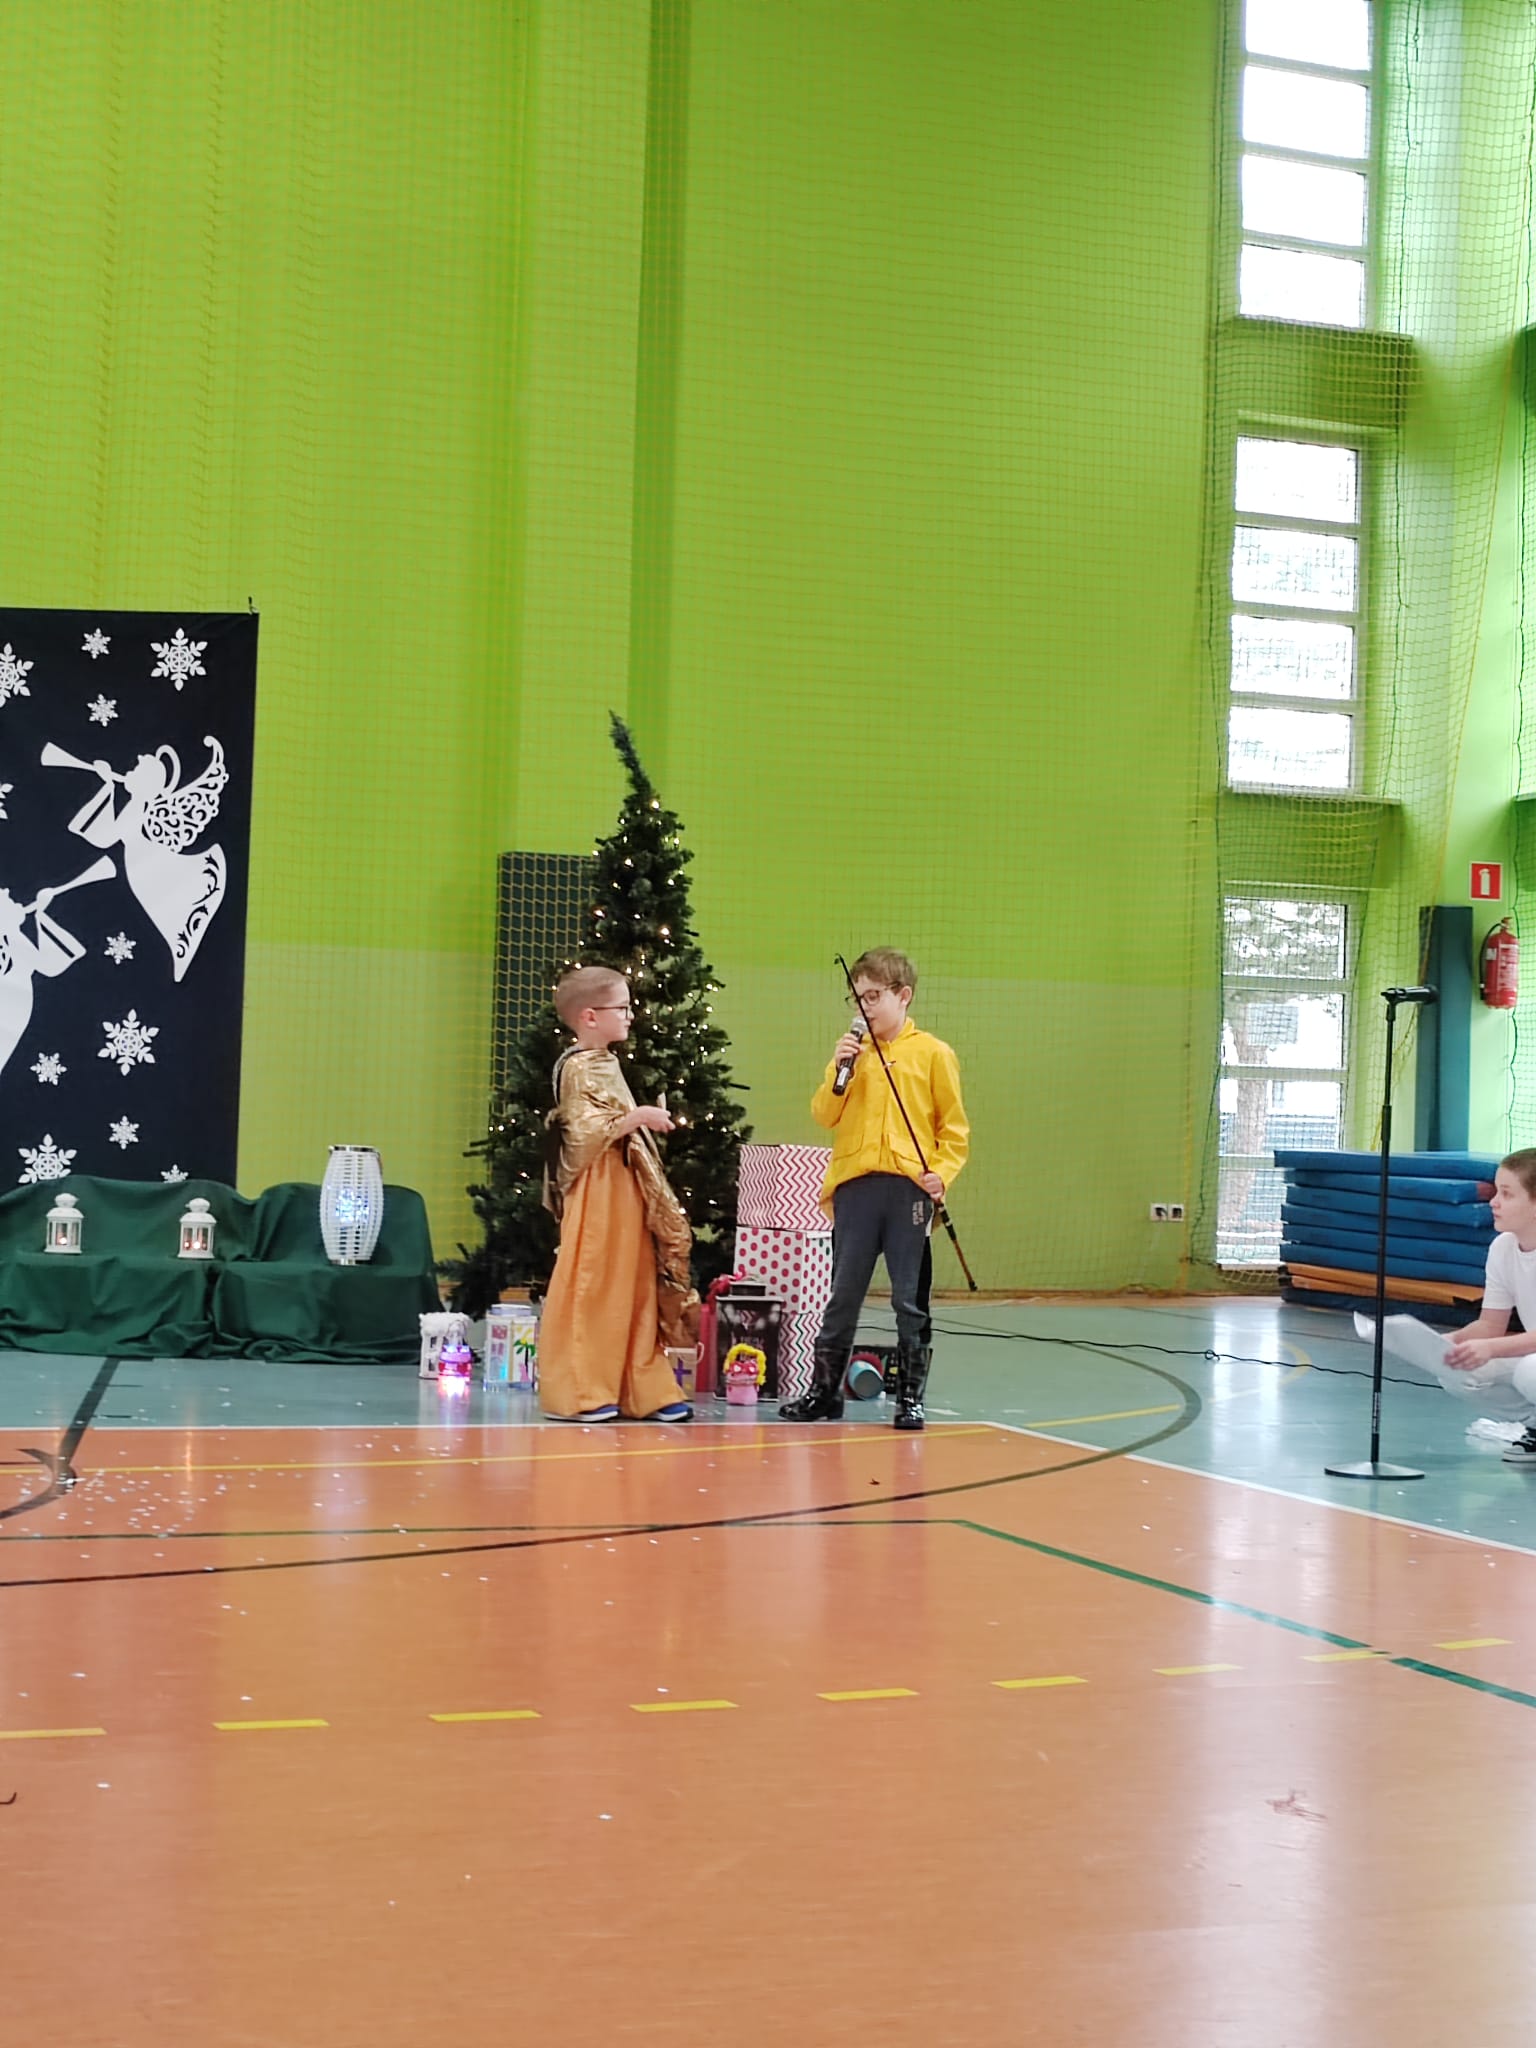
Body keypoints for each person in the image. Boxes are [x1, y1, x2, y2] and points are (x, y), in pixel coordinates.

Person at [780, 948, 969, 1431]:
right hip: (855, 1189)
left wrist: (940, 1174)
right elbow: (824, 1114)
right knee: (843, 1295)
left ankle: (910, 1397)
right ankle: (824, 1393)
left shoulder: (933, 1054)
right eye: (858, 998)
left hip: (908, 1192)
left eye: (874, 997)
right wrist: (841, 1070)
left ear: (903, 996)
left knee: (909, 1298)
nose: (865, 1008)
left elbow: (954, 1131)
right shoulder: (852, 1053)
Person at [537, 965, 697, 1423]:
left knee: (636, 1276)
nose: (630, 1015)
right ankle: (583, 1388)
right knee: (595, 1277)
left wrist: (638, 1122)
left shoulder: (606, 1062)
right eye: (621, 1007)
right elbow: (583, 1131)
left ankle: (642, 1385)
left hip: (625, 1181)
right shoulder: (577, 1066)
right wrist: (639, 1117)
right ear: (589, 1017)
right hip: (597, 1183)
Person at [1442, 1150, 1536, 1464]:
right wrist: (1449, 1342)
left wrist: (1490, 1348)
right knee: (1455, 1369)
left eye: (1507, 1194)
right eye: (1496, 1192)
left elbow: (1494, 1341)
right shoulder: (1503, 1247)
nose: (1494, 1202)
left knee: (1530, 1371)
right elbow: (1490, 1325)